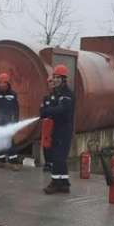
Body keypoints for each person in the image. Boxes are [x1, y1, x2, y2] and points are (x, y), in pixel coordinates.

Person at [41, 65, 75, 194]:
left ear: (64, 79)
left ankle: (55, 183)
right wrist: (47, 111)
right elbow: (44, 110)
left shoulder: (67, 95)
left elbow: (61, 110)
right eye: (54, 77)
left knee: (57, 158)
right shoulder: (55, 94)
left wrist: (48, 111)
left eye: (57, 77)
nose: (54, 80)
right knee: (59, 158)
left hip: (64, 131)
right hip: (55, 129)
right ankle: (64, 183)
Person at [0, 72, 20, 170]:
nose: (2, 85)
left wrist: (15, 121)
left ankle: (14, 163)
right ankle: (0, 161)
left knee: (9, 142)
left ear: (8, 84)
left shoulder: (13, 95)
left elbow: (16, 109)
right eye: (0, 83)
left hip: (9, 122)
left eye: (4, 83)